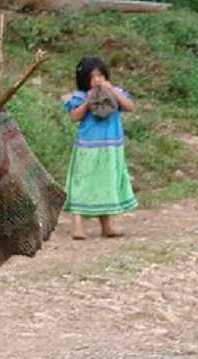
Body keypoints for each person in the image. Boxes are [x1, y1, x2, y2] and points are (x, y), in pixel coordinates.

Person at [63, 56, 138, 240]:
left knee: (106, 182)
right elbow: (75, 116)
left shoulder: (114, 93)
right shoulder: (80, 96)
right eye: (92, 76)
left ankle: (107, 225)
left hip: (111, 146)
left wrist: (112, 90)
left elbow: (129, 106)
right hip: (88, 147)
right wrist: (88, 102)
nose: (97, 79)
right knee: (83, 182)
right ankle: (78, 225)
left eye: (100, 75)